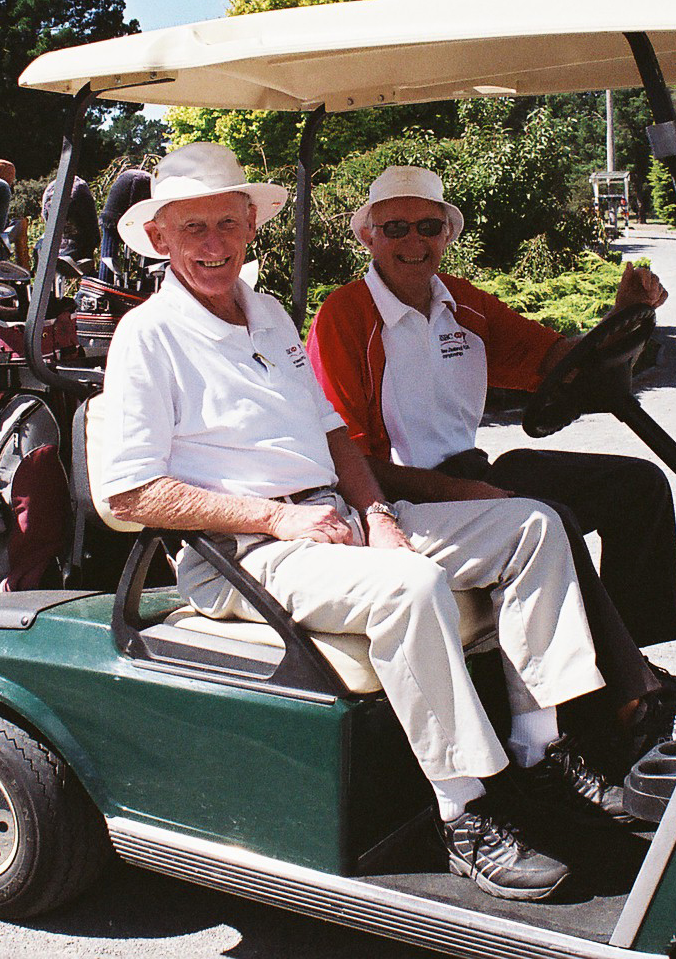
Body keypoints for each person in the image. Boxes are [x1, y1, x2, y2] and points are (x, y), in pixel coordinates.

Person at [89, 144, 638, 902]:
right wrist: (277, 518)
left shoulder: (267, 313)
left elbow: (333, 432)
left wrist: (379, 512)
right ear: (158, 238)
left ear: (251, 225)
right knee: (410, 588)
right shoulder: (147, 337)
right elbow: (128, 494)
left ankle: (538, 749)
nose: (214, 244)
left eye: (227, 223)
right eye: (193, 229)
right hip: (242, 550)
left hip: (335, 518)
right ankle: (464, 812)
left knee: (534, 526)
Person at [305, 166, 676, 723]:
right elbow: (350, 457)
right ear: (369, 237)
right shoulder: (344, 317)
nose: (413, 241)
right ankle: (619, 703)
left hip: (470, 472)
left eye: (428, 226)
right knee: (551, 517)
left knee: (638, 485)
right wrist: (461, 491)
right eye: (395, 228)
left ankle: (630, 662)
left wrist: (623, 316)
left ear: (447, 234)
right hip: (397, 497)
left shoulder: (462, 303)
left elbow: (556, 359)